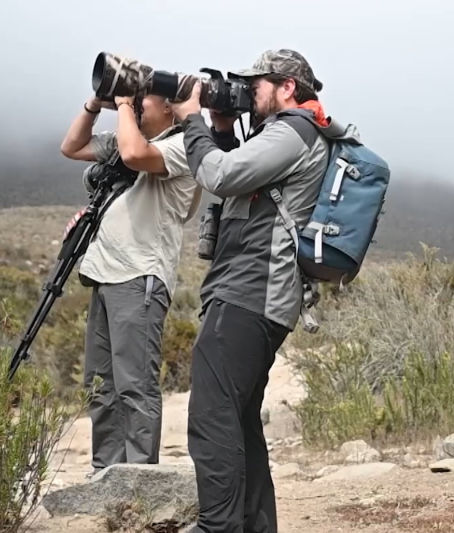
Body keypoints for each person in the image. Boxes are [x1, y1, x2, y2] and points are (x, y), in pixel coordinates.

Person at [170, 49, 334, 532]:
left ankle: (217, 526)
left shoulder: (294, 131)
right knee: (238, 420)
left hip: (252, 293)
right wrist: (220, 128)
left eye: (256, 82)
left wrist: (192, 121)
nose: (248, 91)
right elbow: (234, 175)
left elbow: (219, 174)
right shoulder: (280, 134)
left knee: (211, 415)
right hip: (253, 294)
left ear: (287, 87)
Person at [60, 92, 199, 473]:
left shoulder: (183, 146)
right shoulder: (128, 140)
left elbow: (135, 156)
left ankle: (139, 480)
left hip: (140, 278)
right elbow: (71, 147)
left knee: (134, 385)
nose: (136, 104)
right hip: (105, 275)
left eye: (145, 99)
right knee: (100, 386)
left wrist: (122, 105)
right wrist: (94, 104)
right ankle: (107, 474)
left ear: (171, 106)